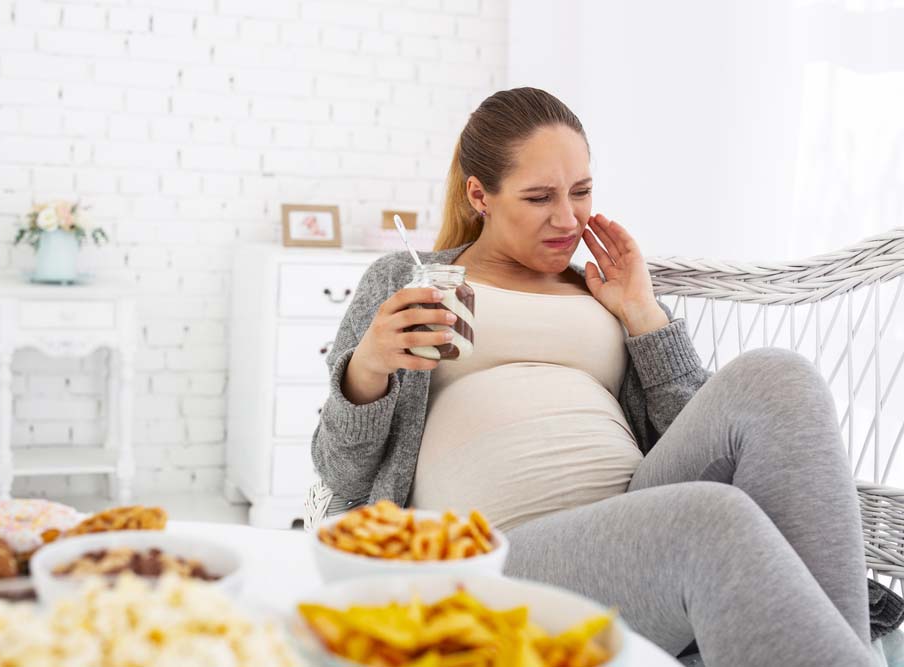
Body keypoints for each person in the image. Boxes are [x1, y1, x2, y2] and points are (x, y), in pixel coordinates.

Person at [311, 87, 871, 666]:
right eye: (538, 197)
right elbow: (340, 474)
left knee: (779, 376)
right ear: (481, 194)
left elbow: (707, 442)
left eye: (581, 192)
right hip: (499, 560)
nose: (567, 218)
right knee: (708, 519)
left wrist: (643, 316)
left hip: (640, 526)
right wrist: (369, 365)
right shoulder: (408, 280)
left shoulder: (602, 290)